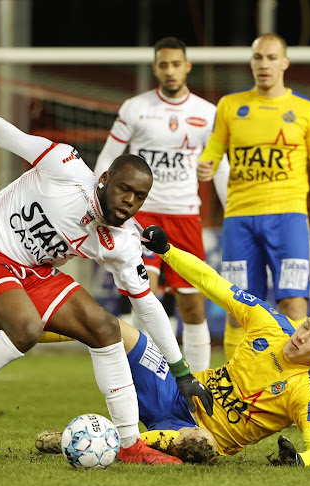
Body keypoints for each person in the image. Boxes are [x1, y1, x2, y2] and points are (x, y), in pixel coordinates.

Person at [0, 82, 213, 465]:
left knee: (105, 329)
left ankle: (130, 444)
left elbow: (147, 305)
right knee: (26, 328)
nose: (129, 202)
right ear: (104, 180)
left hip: (33, 272)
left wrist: (182, 370)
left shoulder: (120, 241)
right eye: (124, 190)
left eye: (138, 198)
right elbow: (8, 135)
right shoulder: (64, 165)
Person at [36, 226, 310, 466]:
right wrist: (166, 250)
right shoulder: (271, 322)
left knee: (202, 445)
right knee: (109, 326)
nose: (302, 336)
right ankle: (28, 331)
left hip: (192, 434)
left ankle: (92, 442)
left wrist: (300, 460)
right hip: (175, 387)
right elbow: (211, 281)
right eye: (306, 325)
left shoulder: (306, 391)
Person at [197, 33, 310, 360]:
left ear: (285, 63)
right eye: (258, 58)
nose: (264, 64)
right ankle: (237, 386)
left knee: (294, 304)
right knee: (238, 308)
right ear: (251, 63)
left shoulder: (309, 113)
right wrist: (206, 165)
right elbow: (213, 150)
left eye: (271, 58)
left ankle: (299, 383)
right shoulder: (229, 106)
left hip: (289, 220)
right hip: (239, 220)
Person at [95, 37, 230, 372]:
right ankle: (141, 380)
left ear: (187, 66)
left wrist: (234, 213)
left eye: (176, 64)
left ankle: (200, 383)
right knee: (144, 295)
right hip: (142, 214)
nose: (170, 71)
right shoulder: (135, 108)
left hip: (185, 215)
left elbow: (220, 167)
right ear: (155, 68)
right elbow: (109, 158)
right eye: (163, 65)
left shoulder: (207, 113)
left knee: (193, 307)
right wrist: (94, 203)